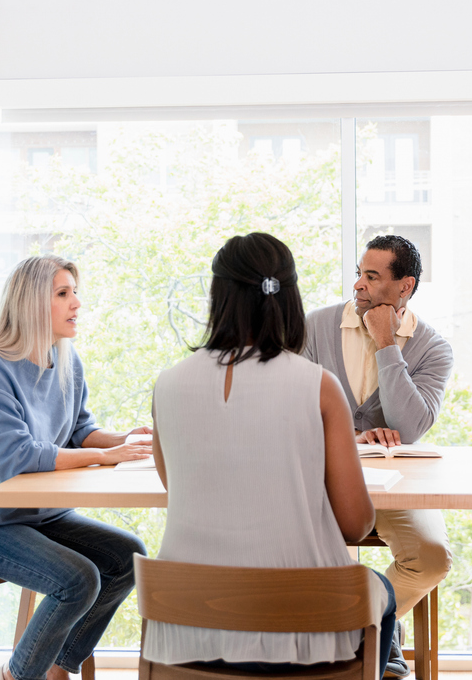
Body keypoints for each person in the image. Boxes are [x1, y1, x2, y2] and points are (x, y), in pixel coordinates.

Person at [146, 233, 398, 672]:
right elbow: (356, 525)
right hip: (304, 626)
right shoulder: (318, 385)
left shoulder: (166, 386)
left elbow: (180, 490)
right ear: (288, 297)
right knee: (382, 593)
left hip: (187, 626)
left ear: (217, 296)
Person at [0, 255, 152, 680]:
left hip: (37, 516)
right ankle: (14, 676)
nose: (77, 303)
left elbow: (80, 429)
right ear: (33, 303)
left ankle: (53, 667)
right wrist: (104, 457)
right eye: (64, 293)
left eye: (75, 292)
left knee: (127, 556)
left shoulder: (67, 361)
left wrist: (125, 440)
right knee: (78, 578)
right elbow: (15, 457)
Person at [302, 235, 454, 678]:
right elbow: (289, 412)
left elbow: (410, 427)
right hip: (320, 479)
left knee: (431, 557)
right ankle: (376, 633)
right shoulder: (314, 328)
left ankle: (374, 624)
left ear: (404, 286)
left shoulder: (431, 347)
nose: (358, 285)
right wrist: (352, 436)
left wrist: (387, 343)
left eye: (372, 277)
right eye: (359, 273)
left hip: (395, 486)